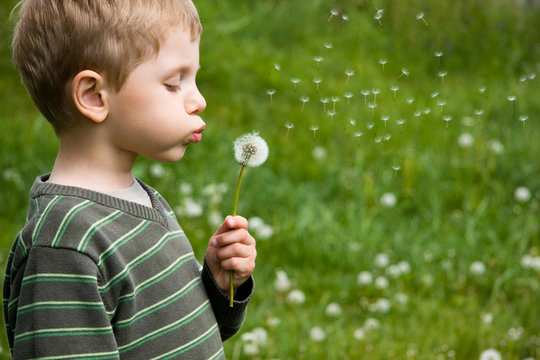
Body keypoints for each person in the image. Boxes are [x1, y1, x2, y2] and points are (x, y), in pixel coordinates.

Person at [3, 0, 257, 358]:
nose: (198, 100)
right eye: (173, 83)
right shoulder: (64, 248)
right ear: (93, 95)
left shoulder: (138, 200)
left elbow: (181, 339)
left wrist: (219, 286)